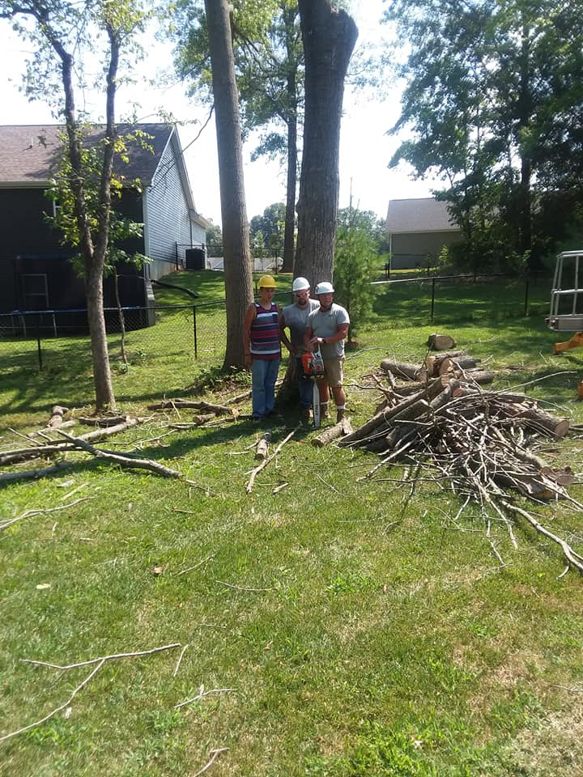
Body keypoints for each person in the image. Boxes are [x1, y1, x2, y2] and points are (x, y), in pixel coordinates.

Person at [304, 281, 350, 423]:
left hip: (334, 356)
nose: (327, 298)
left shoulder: (339, 312)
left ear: (332, 295)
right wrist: (308, 344)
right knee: (322, 384)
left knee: (336, 385)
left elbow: (343, 333)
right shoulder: (312, 315)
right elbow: (307, 333)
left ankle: (341, 413)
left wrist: (324, 340)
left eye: (329, 295)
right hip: (318, 357)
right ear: (318, 297)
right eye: (323, 296)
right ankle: (324, 411)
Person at [279, 277, 320, 419]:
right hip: (300, 351)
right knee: (304, 378)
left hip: (318, 349)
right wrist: (289, 345)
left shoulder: (318, 306)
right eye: (298, 294)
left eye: (304, 293)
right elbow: (279, 329)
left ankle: (322, 405)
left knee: (322, 376)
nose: (302, 297)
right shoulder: (288, 311)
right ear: (294, 295)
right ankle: (305, 407)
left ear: (309, 292)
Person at [243, 275, 282, 421]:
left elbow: (278, 329)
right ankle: (258, 413)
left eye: (272, 291)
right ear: (260, 291)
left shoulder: (275, 307)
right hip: (259, 355)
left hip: (274, 354)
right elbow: (246, 331)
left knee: (270, 383)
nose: (270, 294)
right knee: (259, 384)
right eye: (267, 291)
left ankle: (269, 409)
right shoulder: (254, 308)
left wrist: (281, 349)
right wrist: (247, 353)